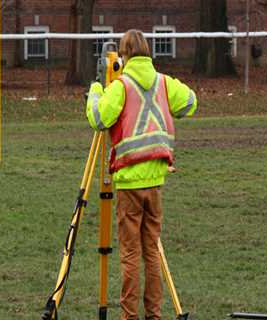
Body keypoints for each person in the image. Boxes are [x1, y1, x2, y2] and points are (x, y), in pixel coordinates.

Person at [86, 29, 197, 320]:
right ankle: (154, 315)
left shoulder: (120, 86)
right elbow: (190, 102)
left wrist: (96, 90)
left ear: (123, 56)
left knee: (130, 255)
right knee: (151, 253)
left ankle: (129, 317)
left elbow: (98, 118)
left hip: (129, 183)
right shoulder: (162, 82)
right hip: (157, 182)